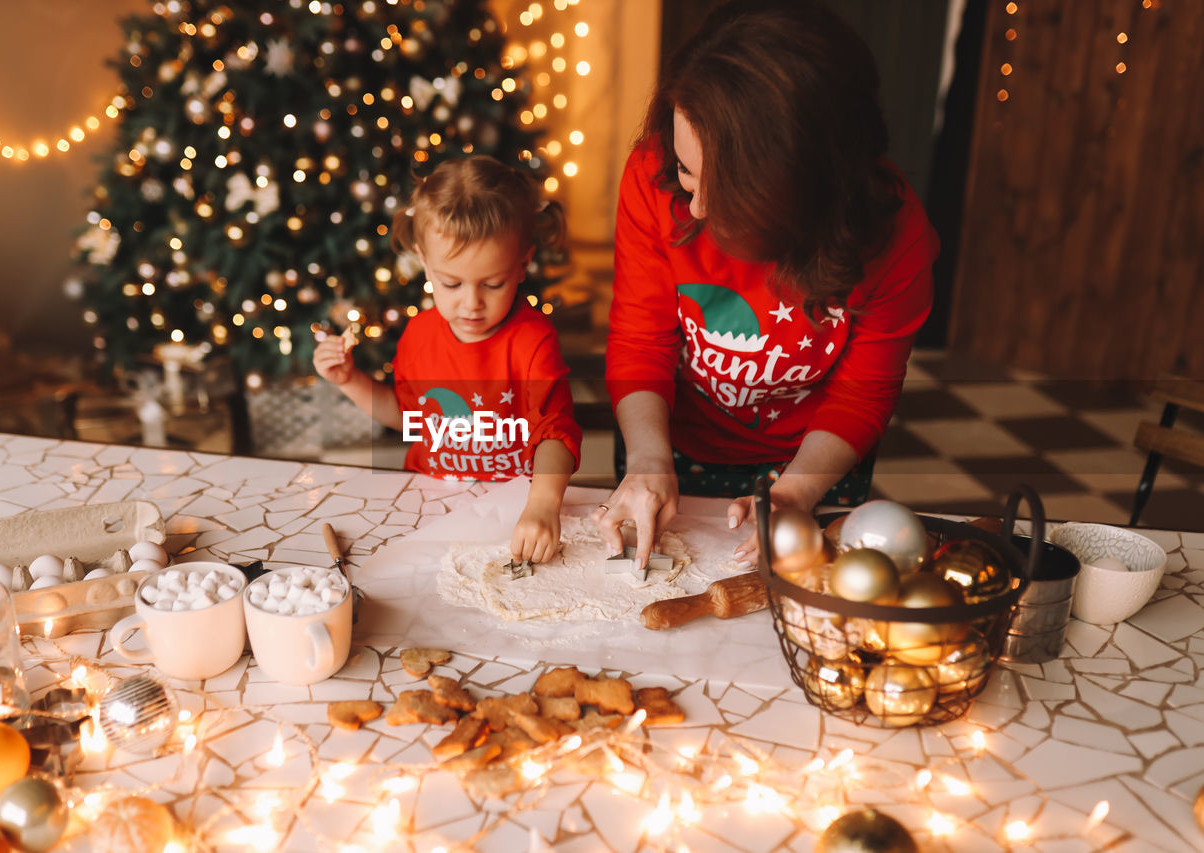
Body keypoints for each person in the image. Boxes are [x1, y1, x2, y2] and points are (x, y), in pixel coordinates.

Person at [594, 0, 939, 571]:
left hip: (818, 457)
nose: (696, 207)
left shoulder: (895, 236)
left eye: (725, 190)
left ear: (799, 188)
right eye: (686, 171)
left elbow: (862, 393)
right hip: (672, 439)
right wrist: (648, 459)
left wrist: (797, 491)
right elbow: (641, 339)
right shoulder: (653, 175)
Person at [314, 156, 581, 563]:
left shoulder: (532, 340)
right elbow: (408, 417)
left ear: (523, 263)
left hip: (512, 512)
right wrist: (349, 380)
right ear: (424, 261)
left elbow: (555, 433)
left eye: (493, 283)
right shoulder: (418, 336)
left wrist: (543, 503)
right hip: (429, 508)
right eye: (451, 283)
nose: (471, 304)